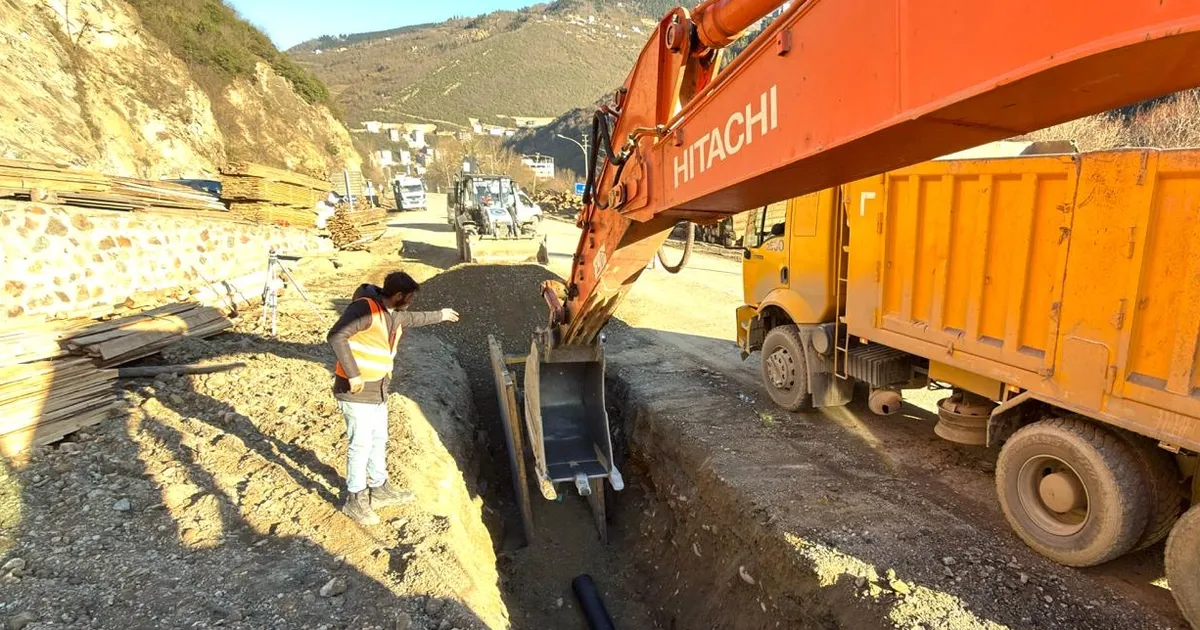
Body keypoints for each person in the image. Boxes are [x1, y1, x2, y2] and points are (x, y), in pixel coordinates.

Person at [326, 271, 460, 524]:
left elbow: (414, 318)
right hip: (356, 390)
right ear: (398, 295)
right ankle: (355, 498)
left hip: (378, 388)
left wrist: (441, 315)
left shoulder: (393, 313)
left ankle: (379, 487)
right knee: (360, 444)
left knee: (379, 438)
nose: (410, 301)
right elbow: (336, 335)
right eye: (409, 297)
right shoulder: (365, 310)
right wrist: (353, 374)